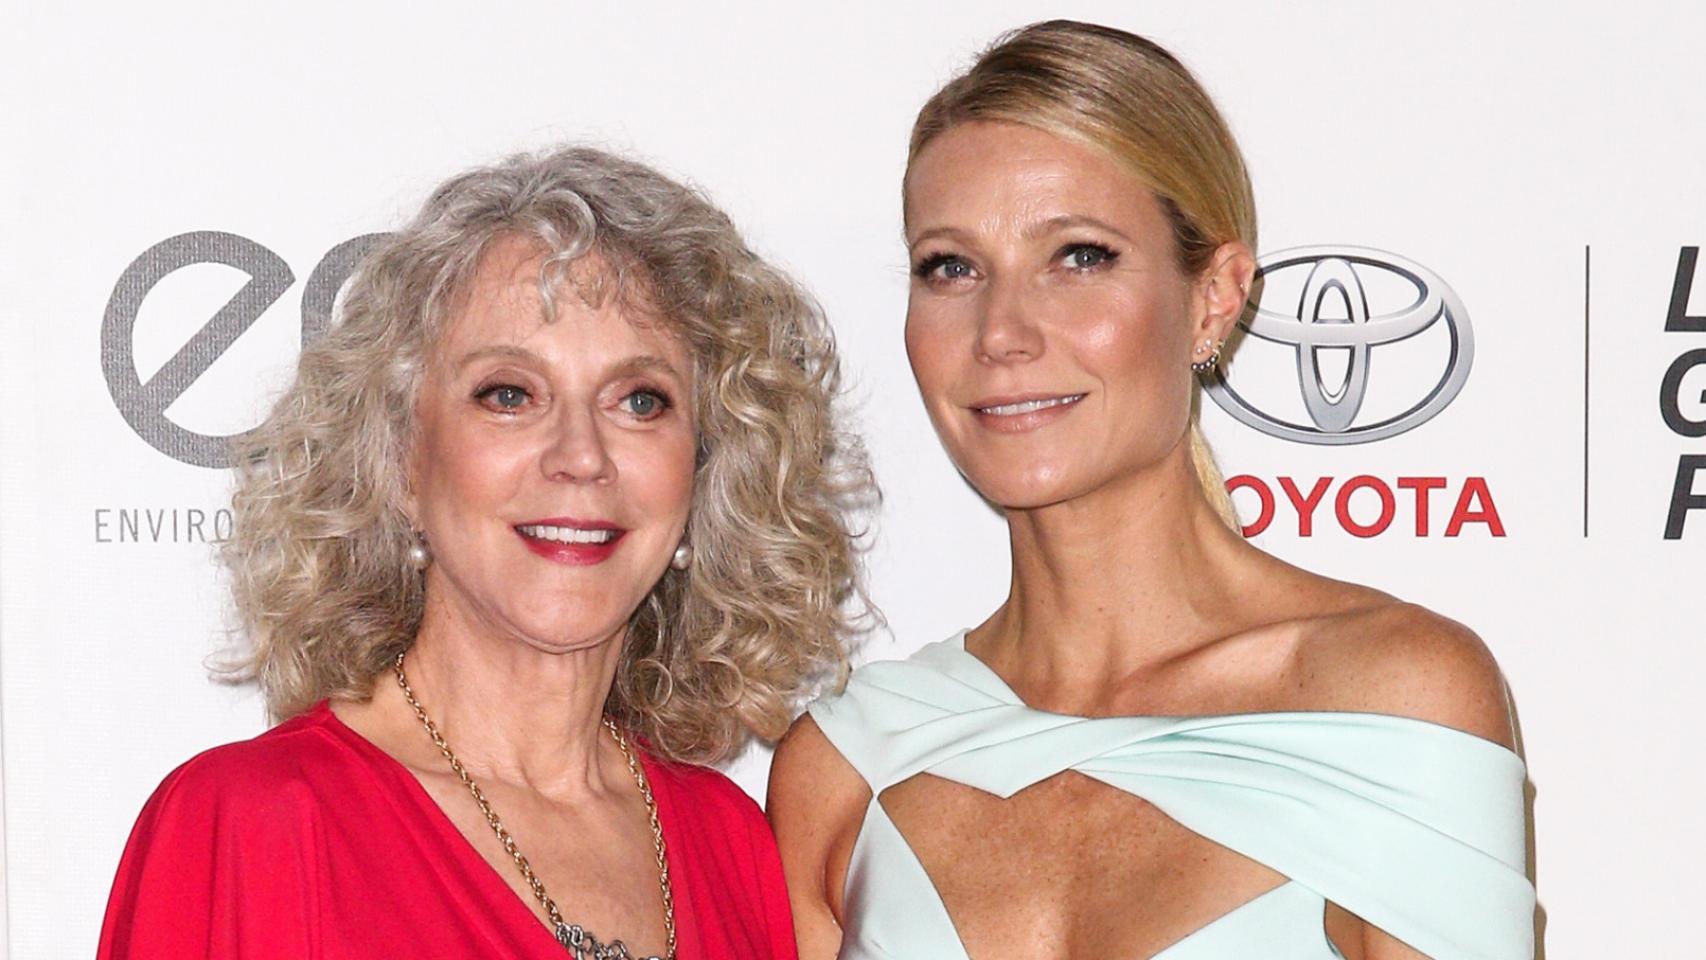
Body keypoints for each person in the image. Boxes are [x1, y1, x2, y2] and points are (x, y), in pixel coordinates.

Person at [768, 20, 1534, 960]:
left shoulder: (1393, 699)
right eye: (951, 268)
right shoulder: (846, 763)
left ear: (1214, 298)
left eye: (1079, 256)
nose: (1001, 332)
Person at [98, 145, 871, 960]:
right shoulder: (251, 826)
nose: (581, 455)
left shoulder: (731, 843)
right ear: (402, 460)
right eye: (509, 395)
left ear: (705, 465)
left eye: (641, 401)